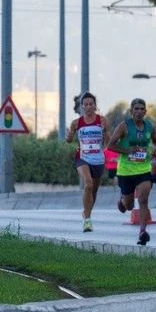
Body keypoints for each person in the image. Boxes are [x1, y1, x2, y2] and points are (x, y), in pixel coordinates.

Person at [106, 98, 156, 246]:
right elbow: (110, 145)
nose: (139, 111)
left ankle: (142, 232)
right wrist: (127, 150)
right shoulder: (124, 126)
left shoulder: (150, 126)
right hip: (126, 171)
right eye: (136, 109)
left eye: (142, 109)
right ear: (131, 111)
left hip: (143, 170)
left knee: (143, 200)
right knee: (129, 206)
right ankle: (122, 201)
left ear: (145, 111)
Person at [65, 91, 106, 232]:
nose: (88, 107)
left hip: (98, 159)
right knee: (88, 184)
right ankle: (87, 220)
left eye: (91, 104)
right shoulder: (76, 123)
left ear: (95, 106)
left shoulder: (102, 121)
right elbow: (69, 140)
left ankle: (86, 212)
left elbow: (109, 139)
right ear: (82, 107)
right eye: (86, 104)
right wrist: (69, 134)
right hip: (82, 157)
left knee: (93, 191)